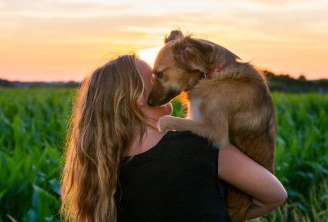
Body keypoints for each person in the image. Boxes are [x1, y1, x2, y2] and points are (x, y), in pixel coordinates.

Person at [60, 54, 287, 222]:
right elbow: (274, 194)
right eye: (155, 77)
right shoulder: (200, 144)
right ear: (138, 97)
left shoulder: (101, 168)